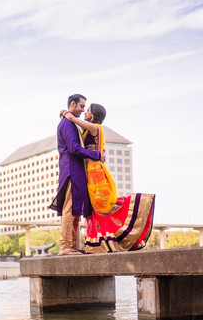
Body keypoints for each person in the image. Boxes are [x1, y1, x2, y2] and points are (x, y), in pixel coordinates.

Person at [61, 104, 155, 253]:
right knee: (97, 209)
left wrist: (66, 113)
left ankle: (138, 211)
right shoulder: (86, 129)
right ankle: (103, 243)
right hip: (89, 173)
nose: (85, 112)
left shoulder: (96, 127)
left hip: (96, 173)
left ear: (94, 115)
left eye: (88, 109)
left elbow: (72, 119)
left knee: (103, 206)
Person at [49, 94, 105, 255]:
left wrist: (65, 113)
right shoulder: (67, 123)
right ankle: (66, 246)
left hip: (76, 171)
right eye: (81, 106)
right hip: (71, 170)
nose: (82, 110)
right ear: (72, 104)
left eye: (84, 108)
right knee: (69, 209)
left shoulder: (71, 122)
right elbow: (73, 148)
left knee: (75, 210)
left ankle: (72, 246)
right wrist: (97, 155)